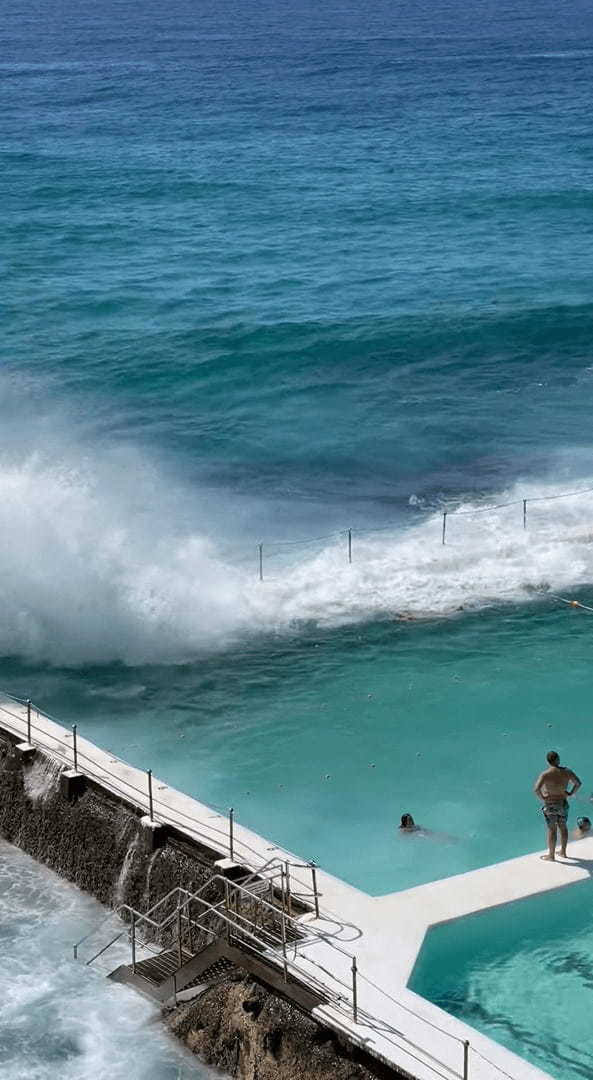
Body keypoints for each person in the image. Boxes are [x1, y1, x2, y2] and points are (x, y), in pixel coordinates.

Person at [534, 751, 581, 861]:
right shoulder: (567, 772)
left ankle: (551, 855)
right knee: (563, 827)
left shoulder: (545, 774)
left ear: (548, 761)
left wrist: (543, 797)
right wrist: (570, 793)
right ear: (558, 759)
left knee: (552, 829)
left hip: (550, 804)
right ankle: (563, 852)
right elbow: (578, 783)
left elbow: (536, 789)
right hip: (562, 803)